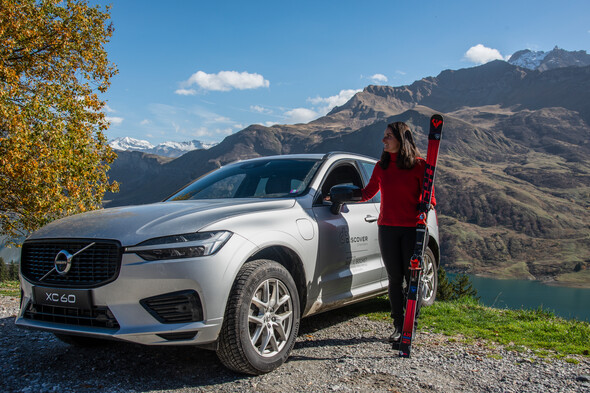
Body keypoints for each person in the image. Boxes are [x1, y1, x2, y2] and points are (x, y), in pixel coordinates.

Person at [360, 121, 435, 345]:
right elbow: (366, 194)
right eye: (384, 136)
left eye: (388, 136)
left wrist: (426, 205)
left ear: (402, 140)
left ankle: (411, 322)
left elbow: (430, 197)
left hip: (413, 229)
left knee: (413, 277)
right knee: (395, 279)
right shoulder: (380, 167)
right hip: (388, 228)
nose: (383, 140)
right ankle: (397, 325)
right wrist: (337, 196)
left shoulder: (420, 166)